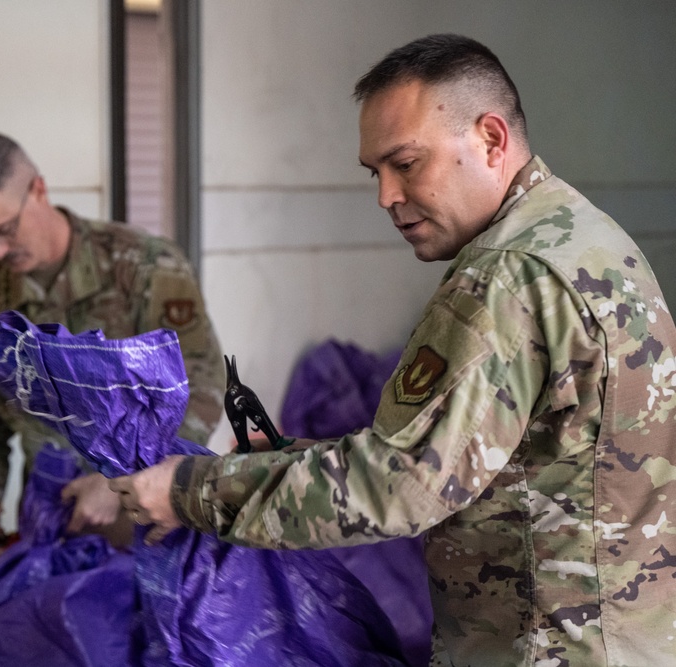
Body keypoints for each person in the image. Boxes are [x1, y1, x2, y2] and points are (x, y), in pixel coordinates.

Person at [110, 34, 676, 666]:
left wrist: (193, 491)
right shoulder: (586, 239)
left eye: (405, 164)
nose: (385, 196)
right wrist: (287, 462)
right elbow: (484, 457)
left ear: (490, 139)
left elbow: (401, 486)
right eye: (374, 173)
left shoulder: (506, 276)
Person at [0, 132, 224, 553]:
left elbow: (200, 384)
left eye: (5, 230)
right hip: (51, 525)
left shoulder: (144, 267)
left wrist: (123, 481)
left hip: (154, 521)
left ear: (38, 190)